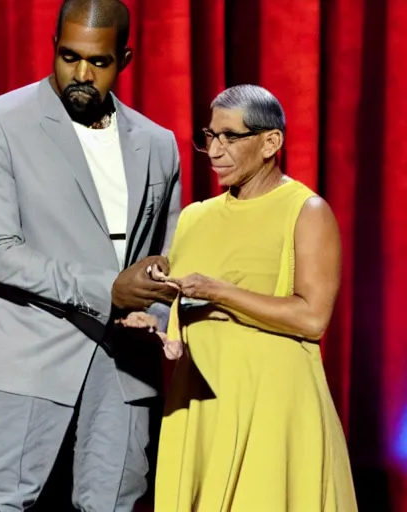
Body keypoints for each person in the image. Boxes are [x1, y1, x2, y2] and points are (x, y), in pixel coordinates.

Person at [0, 0, 181, 510]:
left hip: (124, 363)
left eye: (98, 62)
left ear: (124, 58)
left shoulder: (158, 143)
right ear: (53, 47)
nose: (81, 73)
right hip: (25, 350)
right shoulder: (0, 122)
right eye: (68, 56)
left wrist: (157, 311)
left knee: (115, 505)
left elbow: (167, 254)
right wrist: (108, 288)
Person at [122, 85, 358, 511]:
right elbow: (180, 324)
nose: (214, 150)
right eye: (209, 136)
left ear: (271, 142)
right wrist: (156, 326)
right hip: (201, 405)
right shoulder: (195, 217)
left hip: (272, 405)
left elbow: (312, 318)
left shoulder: (306, 211)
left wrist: (218, 291)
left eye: (230, 137)